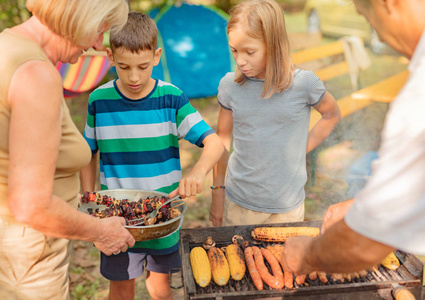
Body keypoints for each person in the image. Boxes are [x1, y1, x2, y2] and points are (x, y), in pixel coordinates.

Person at [80, 11, 224, 300]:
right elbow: (89, 153)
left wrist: (197, 174)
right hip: (116, 220)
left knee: (160, 289)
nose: (134, 77)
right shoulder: (99, 100)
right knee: (121, 289)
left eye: (143, 66)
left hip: (163, 217)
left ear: (157, 56)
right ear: (110, 56)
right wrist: (89, 199)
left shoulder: (171, 98)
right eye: (124, 67)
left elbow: (215, 143)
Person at [0, 1, 135, 299]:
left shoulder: (6, 45)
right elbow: (30, 205)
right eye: (99, 31)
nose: (98, 45)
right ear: (77, 19)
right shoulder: (36, 75)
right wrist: (101, 231)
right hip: (29, 257)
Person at [282, 0, 425, 276]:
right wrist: (367, 203)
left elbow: (364, 246)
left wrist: (308, 255)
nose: (379, 35)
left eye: (367, 17)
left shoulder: (418, 98)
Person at [209, 0, 341, 227]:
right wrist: (217, 191)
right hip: (239, 203)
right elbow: (222, 139)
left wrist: (302, 148)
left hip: (287, 208)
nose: (240, 61)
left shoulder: (304, 84)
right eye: (234, 50)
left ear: (273, 44)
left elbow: (331, 114)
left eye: (249, 51)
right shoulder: (230, 86)